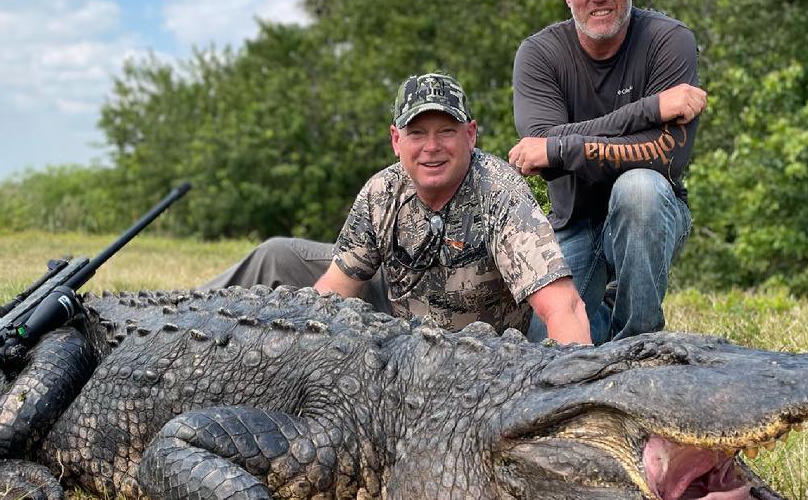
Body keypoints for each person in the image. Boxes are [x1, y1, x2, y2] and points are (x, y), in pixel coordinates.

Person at [205, 73, 591, 343]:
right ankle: (179, 317)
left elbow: (564, 307)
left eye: (446, 131)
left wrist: (573, 403)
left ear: (470, 135)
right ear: (396, 140)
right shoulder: (380, 191)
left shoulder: (501, 192)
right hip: (397, 339)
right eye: (417, 133)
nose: (431, 147)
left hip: (481, 360)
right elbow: (334, 293)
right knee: (277, 257)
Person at [509, 0, 705, 344]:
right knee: (546, 347)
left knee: (640, 190)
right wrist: (649, 110)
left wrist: (560, 148)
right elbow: (540, 143)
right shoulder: (539, 54)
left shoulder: (670, 40)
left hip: (650, 211)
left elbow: (668, 155)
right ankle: (604, 321)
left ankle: (640, 344)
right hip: (572, 220)